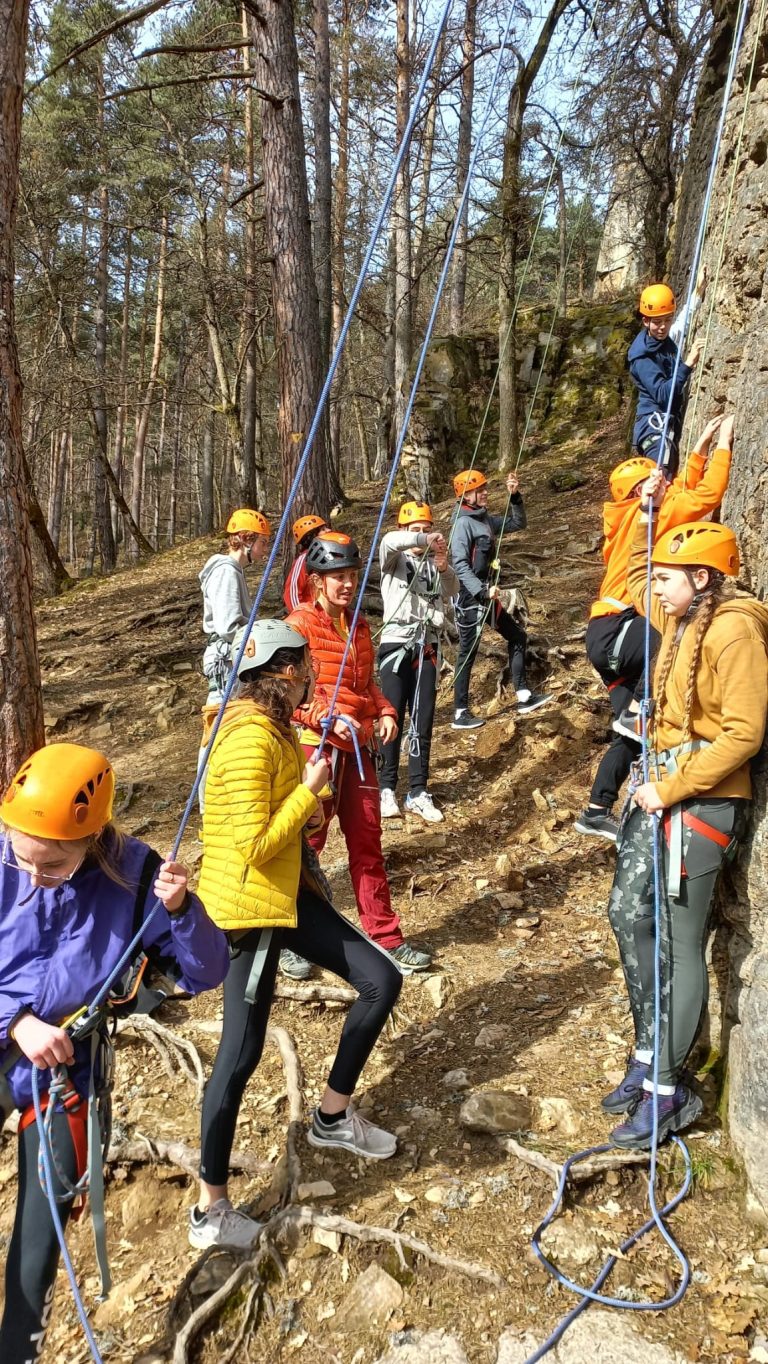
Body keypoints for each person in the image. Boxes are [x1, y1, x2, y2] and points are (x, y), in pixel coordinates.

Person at [0, 742, 228, 1364]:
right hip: (9, 1040)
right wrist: (16, 1023)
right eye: (22, 858)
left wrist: (181, 909)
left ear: (92, 840)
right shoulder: (4, 857)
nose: (33, 877)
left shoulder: (134, 876)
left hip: (66, 1071)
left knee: (39, 1242)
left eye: (53, 865)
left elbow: (205, 972)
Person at [191, 620, 403, 1250]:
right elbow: (254, 845)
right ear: (284, 674)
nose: (312, 676)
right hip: (252, 912)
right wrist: (309, 795)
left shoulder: (271, 726)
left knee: (380, 978)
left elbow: (276, 820)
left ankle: (332, 1117)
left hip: (287, 895)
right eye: (306, 666)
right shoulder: (247, 739)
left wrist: (310, 788)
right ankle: (210, 1208)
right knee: (240, 1055)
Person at [601, 480, 768, 1149]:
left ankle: (669, 1088)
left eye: (666, 578)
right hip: (666, 784)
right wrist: (643, 508)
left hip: (703, 799)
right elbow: (625, 568)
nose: (656, 590)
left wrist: (671, 789)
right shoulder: (680, 618)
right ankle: (650, 1050)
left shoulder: (734, 631)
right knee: (627, 914)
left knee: (677, 938)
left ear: (702, 578)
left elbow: (744, 733)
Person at [576, 416, 734, 841]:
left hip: (607, 636)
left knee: (633, 737)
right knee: (673, 638)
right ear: (639, 491)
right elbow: (704, 496)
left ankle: (596, 809)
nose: (663, 481)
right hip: (624, 629)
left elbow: (681, 490)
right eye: (654, 479)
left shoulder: (631, 516)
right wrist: (722, 447)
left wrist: (698, 448)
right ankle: (637, 710)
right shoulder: (646, 514)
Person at [286, 532, 432, 972]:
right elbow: (288, 695)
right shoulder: (299, 626)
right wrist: (324, 718)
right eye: (338, 577)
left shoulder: (360, 626)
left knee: (367, 840)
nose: (347, 584)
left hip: (358, 748)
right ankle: (292, 939)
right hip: (318, 749)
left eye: (351, 575)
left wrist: (385, 709)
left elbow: (366, 685)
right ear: (317, 581)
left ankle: (386, 937)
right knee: (307, 842)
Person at [449, 468, 551, 730]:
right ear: (466, 495)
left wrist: (515, 496)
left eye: (485, 488)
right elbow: (460, 564)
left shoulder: (484, 520)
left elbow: (518, 523)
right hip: (470, 598)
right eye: (479, 490)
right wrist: (481, 591)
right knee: (468, 652)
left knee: (517, 636)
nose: (485, 493)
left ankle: (523, 696)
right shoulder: (462, 524)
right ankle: (460, 712)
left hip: (486, 595)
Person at [377, 501, 458, 823]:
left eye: (426, 529)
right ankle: (386, 787)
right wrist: (422, 540)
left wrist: (444, 567)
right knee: (392, 716)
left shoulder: (431, 563)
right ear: (404, 530)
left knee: (422, 720)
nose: (421, 535)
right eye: (415, 530)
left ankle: (418, 790)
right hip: (397, 642)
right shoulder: (393, 558)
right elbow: (389, 541)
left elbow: (451, 590)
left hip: (427, 644)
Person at [197, 508, 271, 810]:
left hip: (230, 658)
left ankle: (221, 793)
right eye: (262, 543)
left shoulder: (232, 571)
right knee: (220, 724)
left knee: (229, 723)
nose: (265, 550)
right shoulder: (226, 571)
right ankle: (208, 799)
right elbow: (229, 626)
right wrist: (261, 636)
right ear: (246, 540)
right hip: (226, 660)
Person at [628, 276, 705, 477]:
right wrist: (688, 364)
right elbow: (663, 394)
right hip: (654, 428)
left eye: (667, 320)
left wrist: (697, 293)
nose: (663, 327)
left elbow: (681, 323)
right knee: (660, 480)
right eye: (657, 322)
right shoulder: (642, 357)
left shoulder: (664, 338)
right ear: (645, 321)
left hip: (664, 422)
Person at [284, 514, 329, 611]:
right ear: (311, 537)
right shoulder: (304, 560)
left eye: (326, 528)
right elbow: (292, 593)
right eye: (323, 529)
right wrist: (300, 614)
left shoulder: (330, 556)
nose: (328, 530)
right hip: (310, 613)